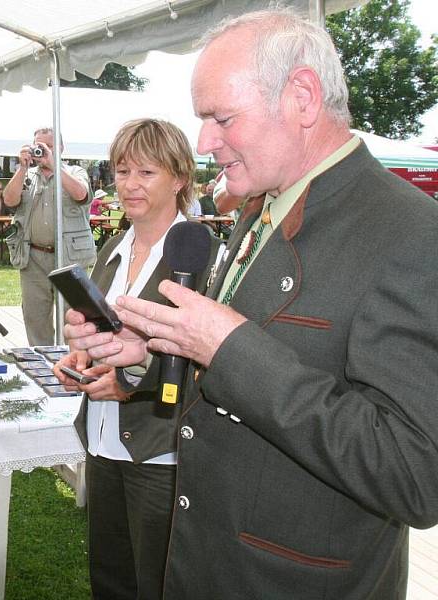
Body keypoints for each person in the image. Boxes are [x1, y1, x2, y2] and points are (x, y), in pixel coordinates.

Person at [62, 9, 438, 599]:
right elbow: (220, 381)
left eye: (222, 117)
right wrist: (146, 353)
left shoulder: (412, 231)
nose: (207, 141)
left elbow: (414, 474)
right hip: (208, 561)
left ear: (303, 97)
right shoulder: (261, 210)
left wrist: (228, 348)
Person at [53, 118, 211, 600]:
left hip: (160, 449)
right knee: (110, 580)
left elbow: (207, 361)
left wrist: (128, 381)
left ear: (180, 178)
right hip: (102, 439)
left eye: (146, 172)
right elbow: (102, 331)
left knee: (156, 585)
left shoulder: (201, 254)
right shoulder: (111, 251)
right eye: (122, 172)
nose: (129, 185)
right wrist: (78, 356)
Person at [3, 126, 96, 345]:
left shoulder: (74, 173)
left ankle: (73, 363)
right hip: (33, 257)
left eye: (50, 146)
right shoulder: (27, 176)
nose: (43, 151)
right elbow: (9, 201)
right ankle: (41, 364)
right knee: (35, 316)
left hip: (69, 258)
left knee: (73, 315)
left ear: (61, 148)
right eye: (39, 146)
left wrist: (54, 165)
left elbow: (81, 194)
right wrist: (21, 169)